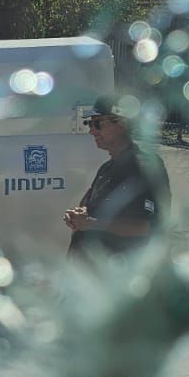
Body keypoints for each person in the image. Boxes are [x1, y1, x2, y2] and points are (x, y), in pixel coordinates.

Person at [65, 95, 171, 259]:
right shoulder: (106, 168)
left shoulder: (144, 166)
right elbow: (91, 208)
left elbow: (149, 226)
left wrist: (92, 223)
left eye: (97, 124)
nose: (91, 130)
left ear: (122, 124)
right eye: (89, 124)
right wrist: (78, 216)